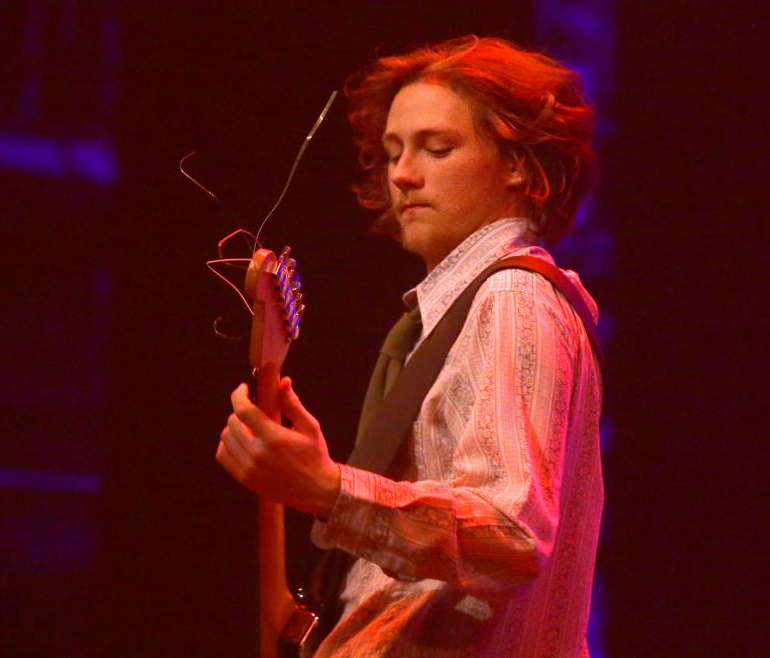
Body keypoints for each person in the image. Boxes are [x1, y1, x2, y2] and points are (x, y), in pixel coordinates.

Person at [217, 35, 603, 657]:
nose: (402, 173)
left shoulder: (510, 296)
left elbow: (514, 532)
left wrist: (330, 490)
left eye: (437, 148)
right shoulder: (462, 309)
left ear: (518, 164)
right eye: (393, 151)